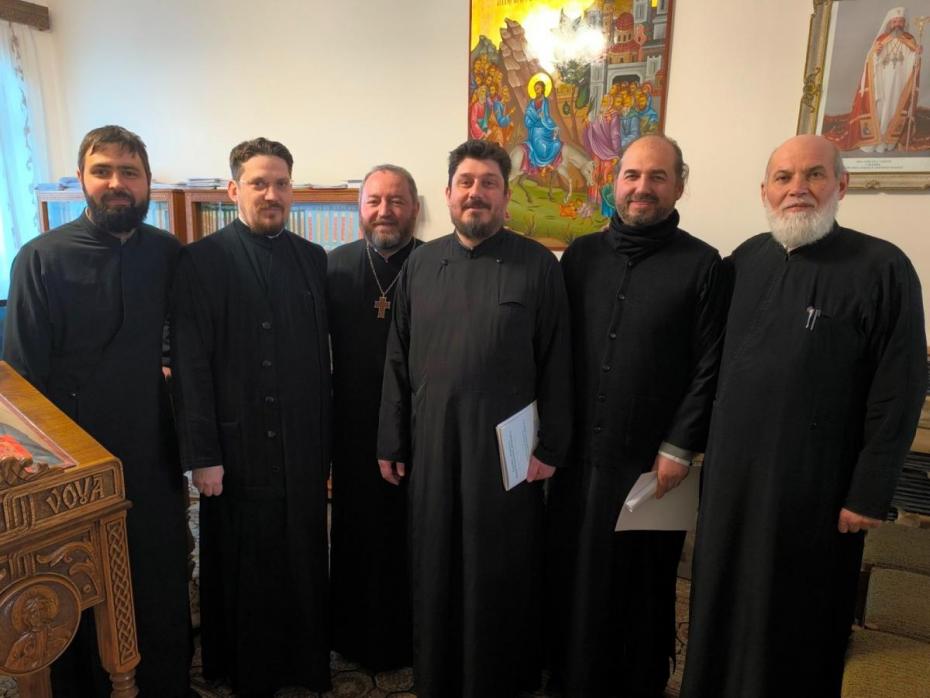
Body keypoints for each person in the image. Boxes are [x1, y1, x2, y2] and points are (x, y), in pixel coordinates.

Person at [681, 134, 926, 698]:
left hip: (817, 489)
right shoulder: (744, 260)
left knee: (795, 617)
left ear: (842, 184)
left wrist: (868, 492)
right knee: (719, 601)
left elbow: (900, 388)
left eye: (814, 175)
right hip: (732, 482)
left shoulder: (883, 267)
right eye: (784, 177)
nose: (798, 189)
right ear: (764, 191)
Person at [377, 139, 572, 697]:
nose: (475, 193)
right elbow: (397, 358)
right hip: (433, 443)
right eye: (465, 182)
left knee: (499, 564)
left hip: (507, 451)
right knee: (435, 559)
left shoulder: (538, 266)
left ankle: (499, 677)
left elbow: (558, 360)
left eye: (489, 184)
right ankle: (438, 674)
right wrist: (391, 439)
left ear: (506, 197)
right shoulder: (420, 264)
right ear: (447, 193)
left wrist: (552, 446)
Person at [4, 125, 192, 696]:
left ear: (148, 182)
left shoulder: (167, 253)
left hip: (152, 445)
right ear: (81, 179)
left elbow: (180, 332)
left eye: (129, 172)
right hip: (73, 458)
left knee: (158, 565)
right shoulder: (40, 258)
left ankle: (164, 680)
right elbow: (22, 380)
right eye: (103, 171)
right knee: (80, 580)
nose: (116, 183)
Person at [548, 134, 727, 698]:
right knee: (575, 571)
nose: (642, 187)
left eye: (657, 176)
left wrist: (679, 447)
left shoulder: (704, 264)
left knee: (644, 579)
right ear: (614, 182)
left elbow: (710, 365)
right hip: (580, 457)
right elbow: (555, 350)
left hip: (656, 463)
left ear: (679, 185)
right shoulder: (580, 256)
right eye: (632, 175)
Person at [170, 137, 332, 696]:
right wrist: (203, 456)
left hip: (301, 447)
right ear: (233, 189)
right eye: (259, 183)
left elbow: (320, 361)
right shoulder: (200, 261)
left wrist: (324, 446)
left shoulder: (313, 259)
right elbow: (190, 365)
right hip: (235, 451)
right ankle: (249, 671)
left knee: (302, 557)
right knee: (247, 563)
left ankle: (303, 665)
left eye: (281, 184)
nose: (271, 194)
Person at [327, 164, 421, 671]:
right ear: (360, 209)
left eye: (397, 200)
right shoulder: (333, 266)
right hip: (349, 428)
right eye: (374, 201)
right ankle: (350, 633)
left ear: (416, 208)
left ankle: (409, 636)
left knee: (407, 536)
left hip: (415, 431)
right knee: (353, 532)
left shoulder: (435, 264)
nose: (385, 211)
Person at [839, 6, 921, 153]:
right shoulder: (882, 39)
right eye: (894, 21)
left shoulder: (909, 40)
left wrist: (917, 54)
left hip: (900, 82)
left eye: (900, 21)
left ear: (904, 23)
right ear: (890, 23)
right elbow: (871, 61)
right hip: (882, 81)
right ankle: (873, 140)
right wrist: (875, 53)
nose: (897, 24)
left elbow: (911, 61)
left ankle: (888, 141)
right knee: (880, 108)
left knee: (894, 108)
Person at [522, 78, 564, 174]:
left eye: (538, 88)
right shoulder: (532, 102)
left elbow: (546, 116)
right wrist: (535, 116)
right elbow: (528, 113)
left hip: (545, 126)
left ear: (542, 89)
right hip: (536, 129)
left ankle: (548, 164)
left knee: (557, 143)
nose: (537, 90)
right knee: (541, 146)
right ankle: (542, 165)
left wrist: (551, 125)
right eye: (535, 88)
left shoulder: (545, 101)